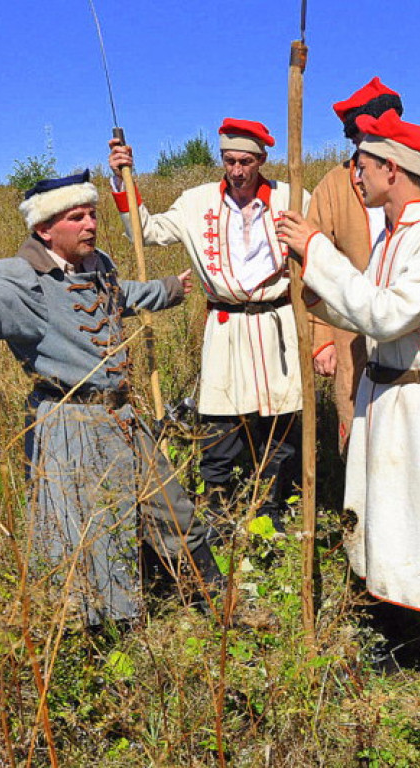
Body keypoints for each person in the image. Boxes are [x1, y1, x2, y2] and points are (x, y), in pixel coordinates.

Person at [277, 110, 420, 722]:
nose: (354, 175)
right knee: (385, 515)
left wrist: (317, 251)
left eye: (363, 165)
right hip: (382, 395)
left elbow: (388, 314)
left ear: (392, 169)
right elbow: (361, 309)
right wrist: (315, 278)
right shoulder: (392, 233)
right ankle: (402, 633)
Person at [0, 172, 221, 627]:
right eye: (76, 217)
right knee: (96, 534)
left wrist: (167, 290)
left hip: (122, 416)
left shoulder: (93, 264)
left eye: (93, 214)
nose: (90, 224)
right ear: (45, 229)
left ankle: (216, 604)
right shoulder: (24, 280)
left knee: (173, 510)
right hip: (71, 424)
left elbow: (118, 299)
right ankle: (109, 640)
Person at [108, 119, 309, 538]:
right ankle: (217, 516)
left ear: (262, 160)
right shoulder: (196, 202)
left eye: (246, 161)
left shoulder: (294, 196)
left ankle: (274, 512)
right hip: (226, 326)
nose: (236, 170)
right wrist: (121, 177)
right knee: (220, 428)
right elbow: (145, 232)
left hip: (280, 323)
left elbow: (322, 244)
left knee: (282, 424)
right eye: (229, 160)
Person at [306, 78, 420, 463]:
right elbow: (319, 261)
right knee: (366, 427)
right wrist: (321, 334)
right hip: (357, 324)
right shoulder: (335, 184)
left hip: (419, 328)